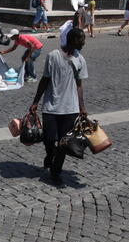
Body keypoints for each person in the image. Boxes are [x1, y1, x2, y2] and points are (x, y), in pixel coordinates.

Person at [29, 28, 88, 185]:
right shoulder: (53, 56)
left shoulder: (80, 59)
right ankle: (50, 154)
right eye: (81, 39)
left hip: (71, 108)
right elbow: (45, 80)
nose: (84, 42)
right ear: (72, 39)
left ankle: (56, 172)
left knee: (63, 142)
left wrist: (82, 107)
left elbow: (79, 85)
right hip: (51, 106)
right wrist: (35, 102)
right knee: (49, 139)